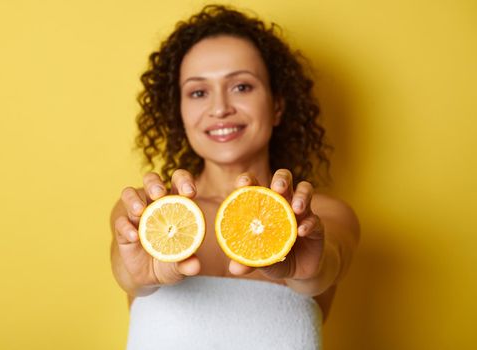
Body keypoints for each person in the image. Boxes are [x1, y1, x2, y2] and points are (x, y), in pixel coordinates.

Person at [110, 4, 360, 349]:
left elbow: (323, 268)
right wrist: (136, 274)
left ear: (276, 106)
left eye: (242, 86)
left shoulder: (322, 218)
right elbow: (127, 272)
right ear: (179, 113)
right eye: (198, 92)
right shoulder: (150, 213)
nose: (219, 108)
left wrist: (305, 268)